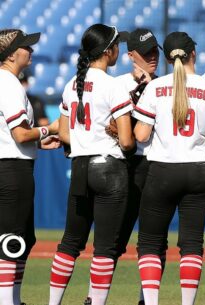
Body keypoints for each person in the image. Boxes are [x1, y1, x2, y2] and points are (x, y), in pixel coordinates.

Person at [132, 31, 205, 305]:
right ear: (193, 54)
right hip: (199, 171)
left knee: (151, 243)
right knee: (191, 245)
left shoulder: (155, 87)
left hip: (161, 171)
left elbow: (140, 136)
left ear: (166, 58)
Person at [47, 24, 135, 305]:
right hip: (110, 170)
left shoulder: (70, 84)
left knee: (70, 243)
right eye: (117, 45)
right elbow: (128, 141)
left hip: (81, 168)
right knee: (105, 249)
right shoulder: (114, 85)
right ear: (109, 51)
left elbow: (63, 134)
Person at [0, 28, 60, 305]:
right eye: (26, 46)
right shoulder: (9, 83)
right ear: (12, 55)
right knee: (12, 239)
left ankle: (13, 298)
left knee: (24, 237)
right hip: (12, 169)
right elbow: (21, 134)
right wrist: (48, 130)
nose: (31, 50)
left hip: (12, 163)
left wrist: (37, 142)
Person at [109, 28, 166, 305]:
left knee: (155, 239)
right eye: (146, 53)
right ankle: (95, 297)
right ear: (131, 55)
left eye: (155, 50)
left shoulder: (167, 84)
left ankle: (147, 299)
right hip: (127, 165)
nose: (152, 57)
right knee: (115, 237)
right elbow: (110, 126)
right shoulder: (117, 85)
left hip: (157, 164)